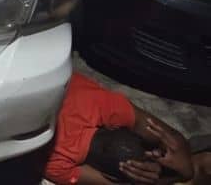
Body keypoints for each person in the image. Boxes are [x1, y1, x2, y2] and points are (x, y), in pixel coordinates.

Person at [44, 72, 211, 185]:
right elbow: (166, 134)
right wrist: (184, 172)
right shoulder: (51, 163)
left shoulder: (50, 161)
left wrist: (181, 169)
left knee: (183, 156)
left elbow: (169, 137)